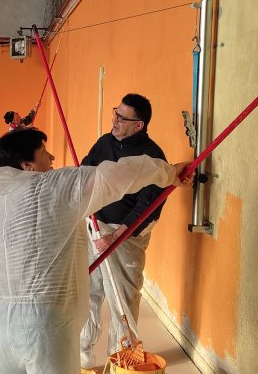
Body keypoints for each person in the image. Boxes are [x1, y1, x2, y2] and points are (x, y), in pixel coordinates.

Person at [0, 128, 192, 373]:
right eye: (44, 153)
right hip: (44, 325)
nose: (52, 158)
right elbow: (118, 174)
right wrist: (169, 172)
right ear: (27, 165)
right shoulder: (54, 186)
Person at [79, 93, 171, 370]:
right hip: (95, 226)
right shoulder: (104, 142)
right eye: (115, 113)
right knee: (89, 292)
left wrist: (116, 236)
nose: (114, 120)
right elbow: (86, 170)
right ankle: (84, 352)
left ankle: (117, 360)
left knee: (122, 300)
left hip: (126, 237)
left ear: (138, 125)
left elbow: (149, 206)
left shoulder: (152, 157)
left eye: (122, 117)